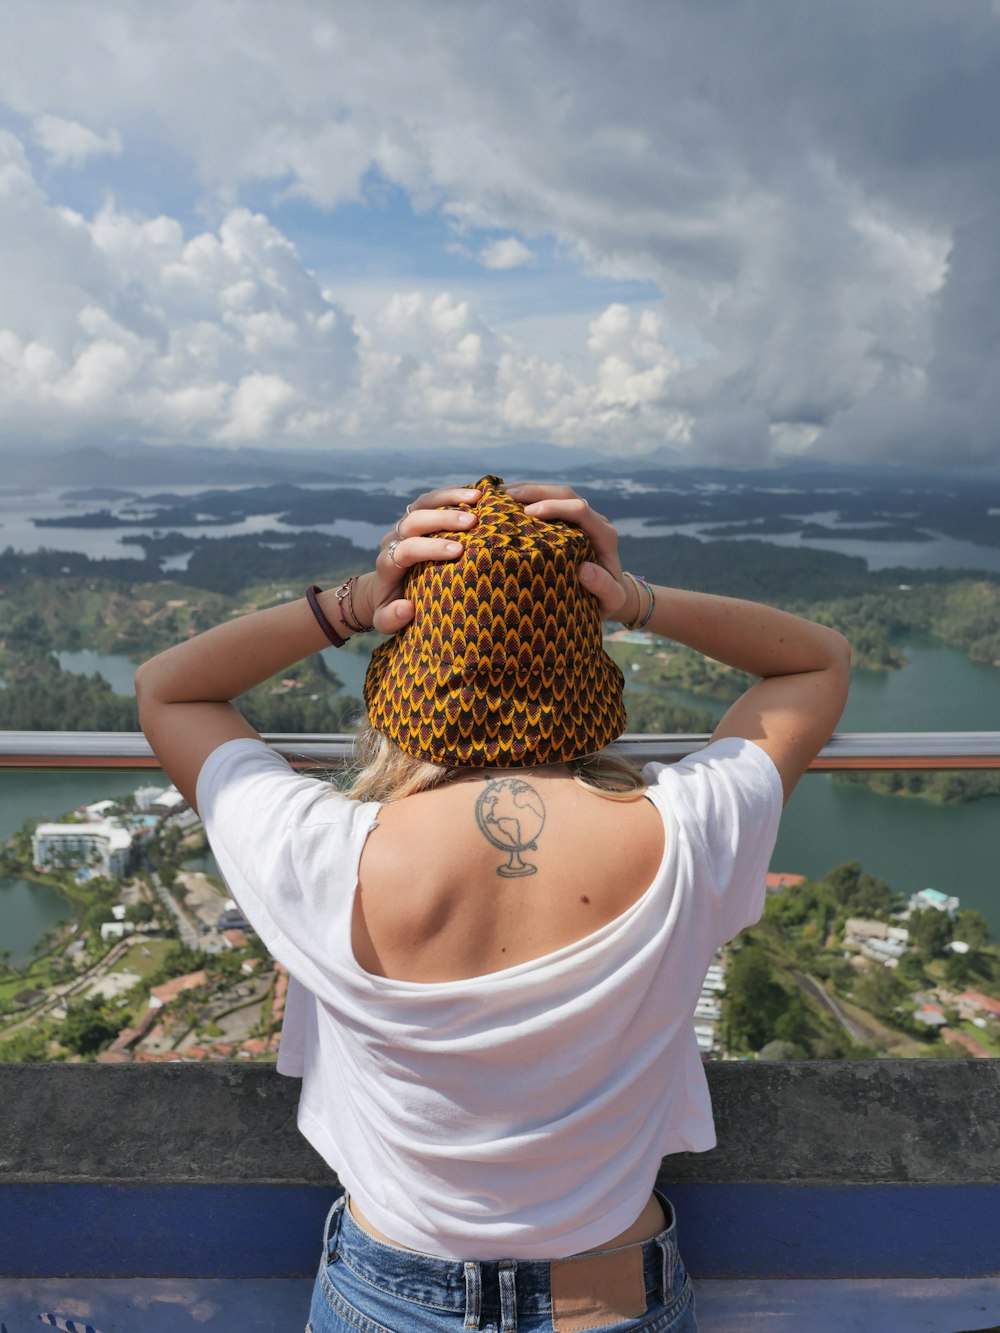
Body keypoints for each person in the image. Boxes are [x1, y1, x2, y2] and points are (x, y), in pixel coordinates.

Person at [137, 475, 850, 1333]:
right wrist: (629, 595)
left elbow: (169, 689)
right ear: (584, 670)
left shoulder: (322, 854)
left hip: (391, 1294)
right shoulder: (688, 833)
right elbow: (816, 660)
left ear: (406, 668)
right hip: (612, 1295)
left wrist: (356, 601)